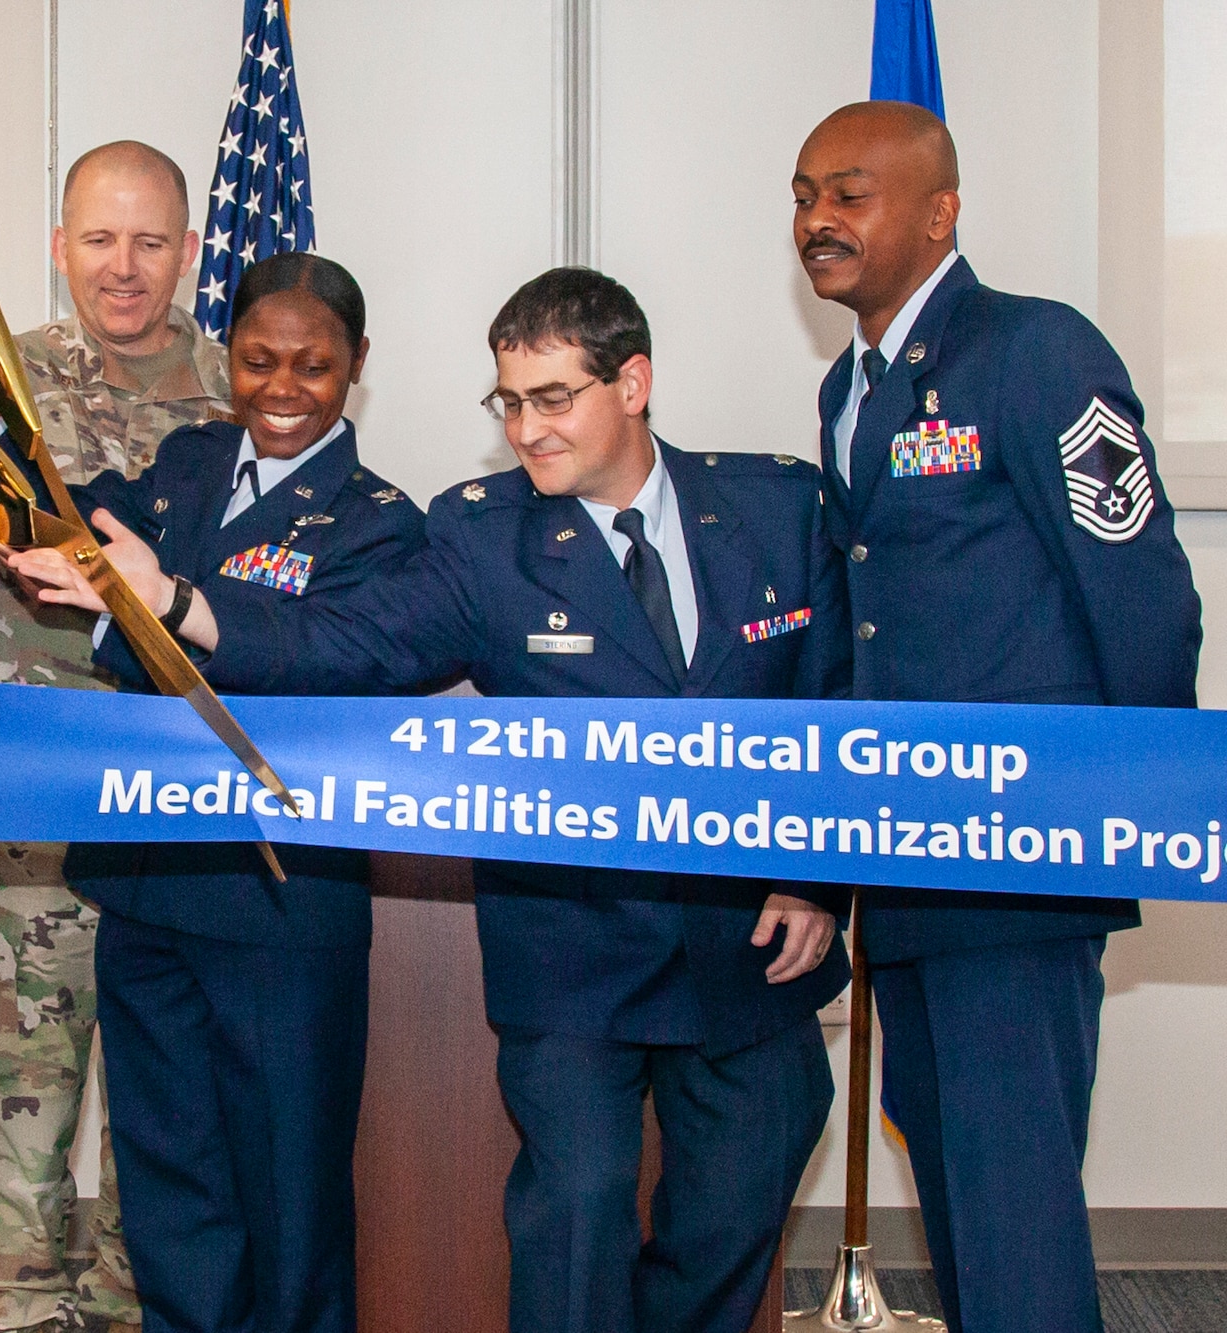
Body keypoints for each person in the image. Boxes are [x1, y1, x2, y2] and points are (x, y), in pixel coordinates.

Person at [77, 267, 853, 1333]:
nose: (525, 430)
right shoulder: (485, 539)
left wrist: (812, 879)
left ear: (631, 384)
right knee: (574, 1219)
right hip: (576, 951)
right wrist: (179, 602)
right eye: (507, 402)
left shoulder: (774, 507)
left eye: (550, 399)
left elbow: (836, 709)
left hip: (748, 945)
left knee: (731, 1217)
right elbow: (348, 642)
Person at [792, 102, 1202, 1332]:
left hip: (1019, 855)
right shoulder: (846, 389)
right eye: (804, 193)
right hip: (907, 856)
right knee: (960, 1194)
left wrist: (1132, 802)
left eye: (849, 194)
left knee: (1009, 1193)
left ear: (938, 212)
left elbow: (1138, 590)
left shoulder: (1034, 351)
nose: (817, 219)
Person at [12, 253, 424, 1333]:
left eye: (312, 366)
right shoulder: (185, 464)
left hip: (278, 904)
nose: (281, 389)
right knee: (168, 1181)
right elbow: (75, 536)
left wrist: (171, 602)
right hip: (146, 886)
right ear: (224, 357)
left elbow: (328, 657)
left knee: (286, 1192)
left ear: (356, 369)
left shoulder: (380, 521)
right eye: (256, 361)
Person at [0, 140, 227, 1332]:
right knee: (25, 1077)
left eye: (150, 240)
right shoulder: (2, 376)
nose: (123, 268)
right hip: (32, 793)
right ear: (57, 246)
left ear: (186, 247)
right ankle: (11, 1302)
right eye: (97, 239)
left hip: (179, 799)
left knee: (166, 1091)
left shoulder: (243, 392)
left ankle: (133, 1297)